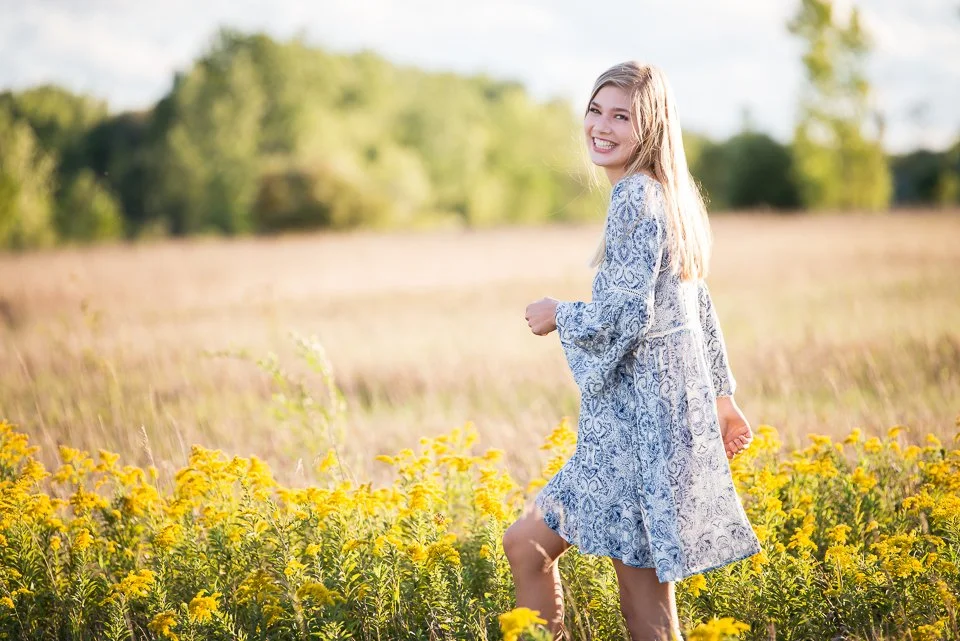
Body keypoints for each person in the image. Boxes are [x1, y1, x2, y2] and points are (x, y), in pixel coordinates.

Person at [506, 61, 762, 641]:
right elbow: (697, 308)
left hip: (637, 431)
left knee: (644, 610)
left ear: (650, 127)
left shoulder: (636, 199)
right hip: (642, 428)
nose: (602, 126)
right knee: (530, 548)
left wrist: (558, 314)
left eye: (621, 115)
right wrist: (723, 397)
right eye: (596, 110)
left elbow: (627, 315)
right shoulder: (666, 198)